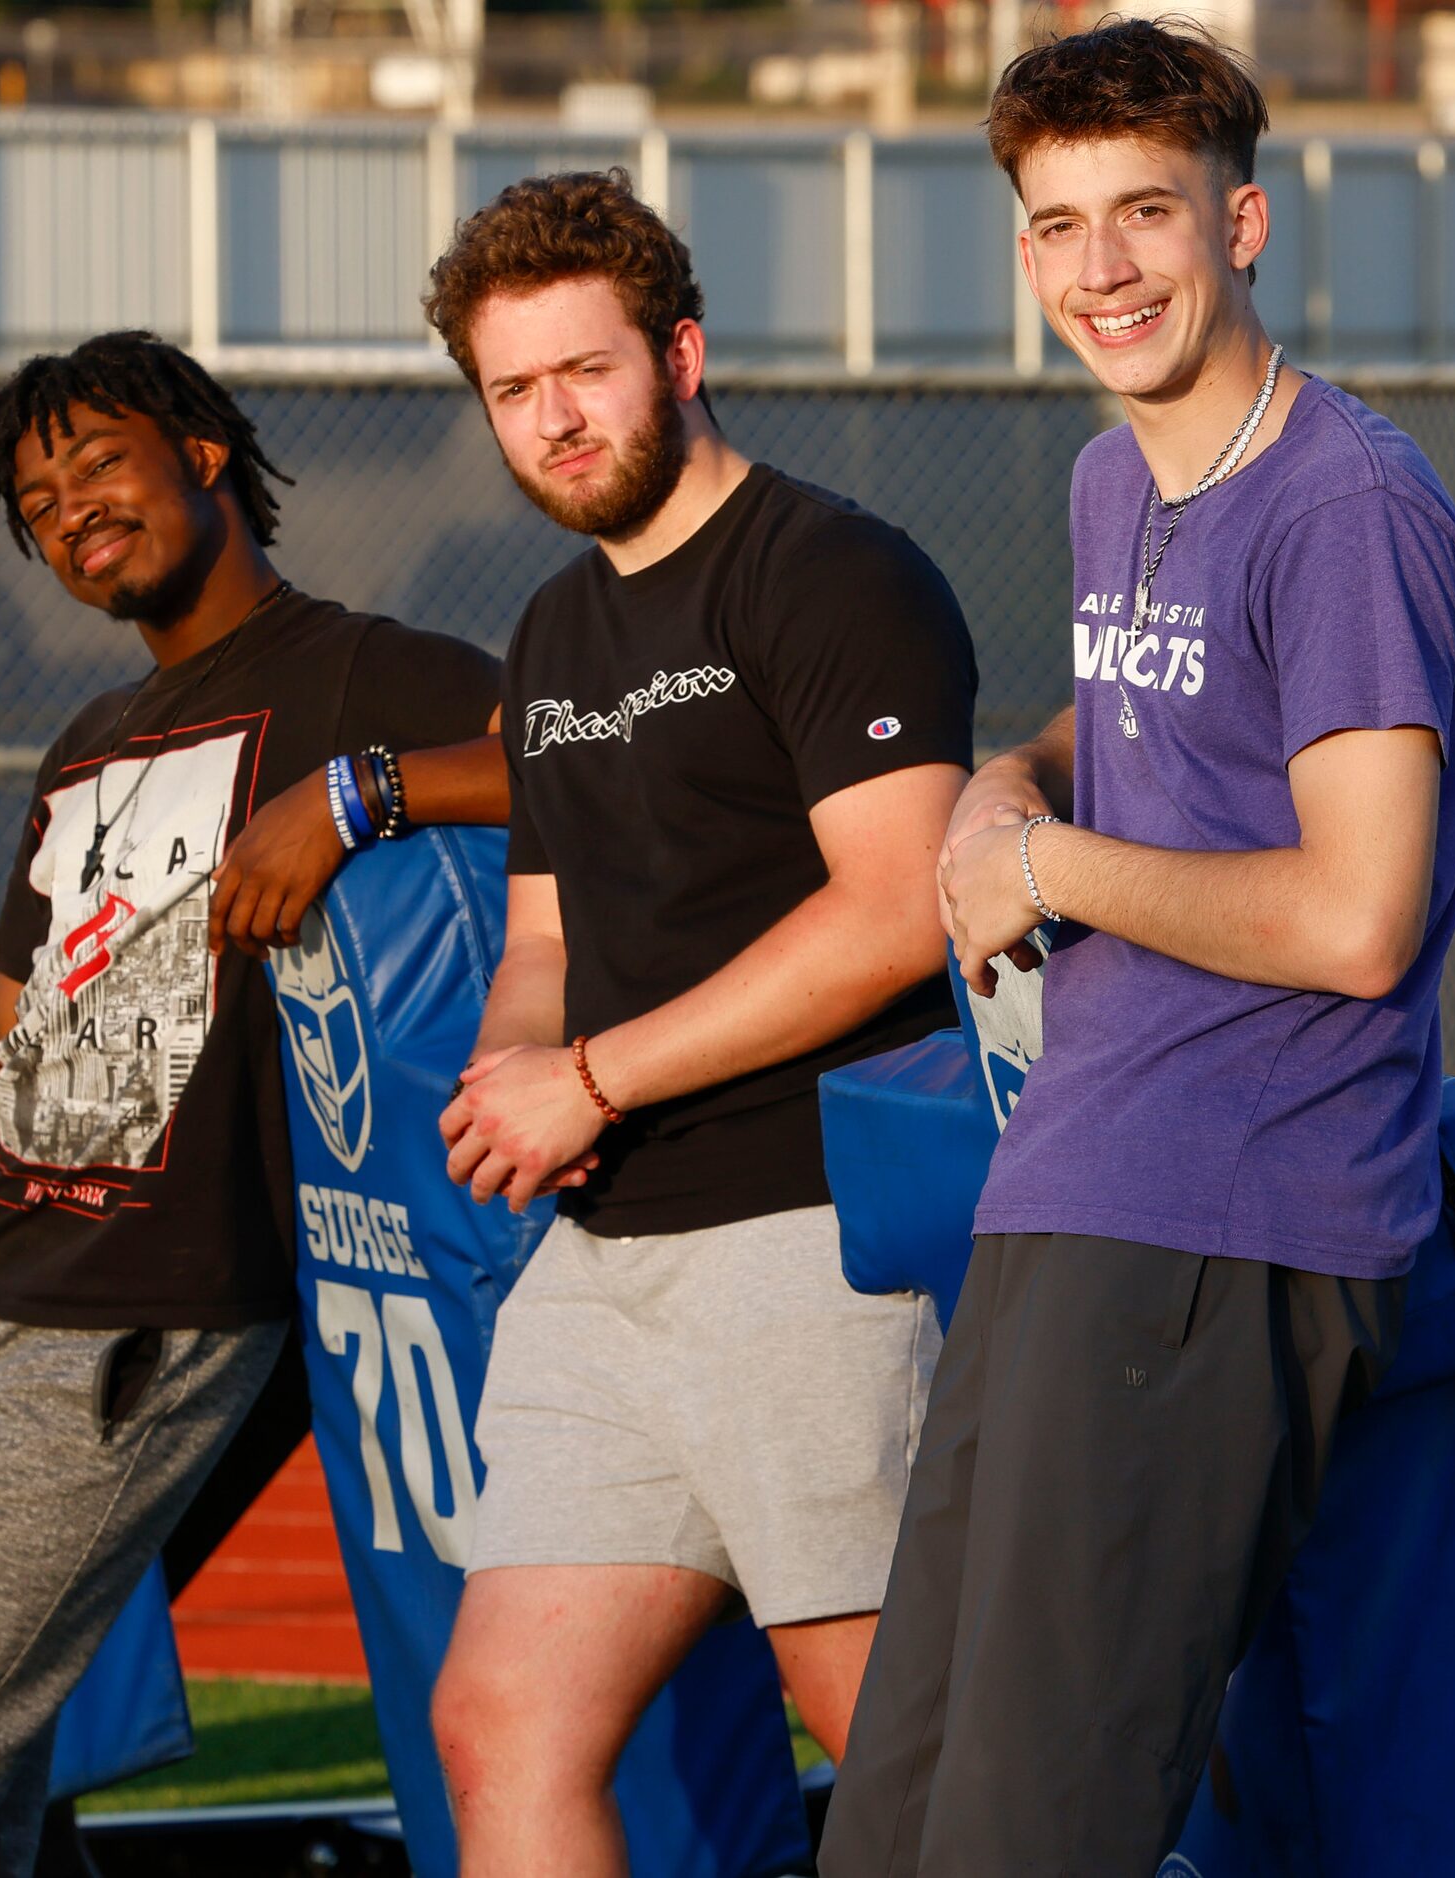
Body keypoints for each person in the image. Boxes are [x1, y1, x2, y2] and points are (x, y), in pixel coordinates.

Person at [817, 21, 1455, 1874]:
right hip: (1079, 1176)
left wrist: (1050, 860)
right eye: (1056, 225)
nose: (1100, 266)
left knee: (1030, 1832)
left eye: (1145, 213)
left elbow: (1356, 916)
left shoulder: (1342, 505)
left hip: (1230, 1210)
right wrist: (1002, 783)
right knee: (896, 1817)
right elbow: (1146, 735)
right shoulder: (1120, 481)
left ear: (1244, 220)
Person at [0, 330, 510, 1876]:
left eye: (96, 464)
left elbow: (577, 760)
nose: (67, 514)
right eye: (36, 501)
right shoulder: (90, 740)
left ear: (199, 452)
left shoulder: (360, 669)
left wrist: (354, 794)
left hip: (138, 1316)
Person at [419, 171, 980, 1875]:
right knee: (502, 1719)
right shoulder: (557, 623)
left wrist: (588, 1076)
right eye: (514, 392)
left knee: (898, 1738)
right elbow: (549, 927)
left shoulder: (832, 573)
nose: (554, 419)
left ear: (682, 350)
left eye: (585, 371)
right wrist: (514, 1063)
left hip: (806, 1234)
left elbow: (894, 909)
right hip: (608, 1258)